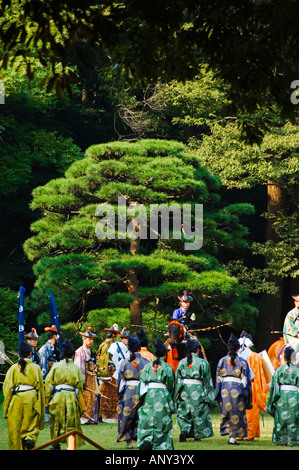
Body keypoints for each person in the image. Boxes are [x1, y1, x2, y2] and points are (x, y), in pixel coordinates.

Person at [2, 341, 45, 450]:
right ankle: (29, 437)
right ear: (30, 354)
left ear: (19, 354)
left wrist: (6, 408)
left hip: (16, 399)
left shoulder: (13, 369)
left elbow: (7, 389)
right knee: (30, 424)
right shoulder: (36, 368)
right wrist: (40, 405)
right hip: (31, 399)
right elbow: (40, 388)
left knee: (15, 430)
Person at [45, 338, 86, 450]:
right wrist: (81, 405)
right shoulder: (76, 369)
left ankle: (55, 443)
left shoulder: (56, 366)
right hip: (71, 396)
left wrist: (48, 398)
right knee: (71, 420)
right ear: (73, 355)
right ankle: (70, 445)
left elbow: (49, 383)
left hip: (57, 395)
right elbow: (79, 388)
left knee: (56, 420)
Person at [136, 339, 176, 450]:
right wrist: (170, 400)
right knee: (163, 422)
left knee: (147, 420)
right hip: (163, 395)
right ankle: (162, 445)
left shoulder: (147, 366)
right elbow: (172, 386)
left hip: (149, 395)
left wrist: (141, 398)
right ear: (165, 354)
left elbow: (141, 384)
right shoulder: (168, 368)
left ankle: (146, 440)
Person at [175, 337, 215, 442]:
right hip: (198, 389)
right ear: (197, 350)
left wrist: (177, 393)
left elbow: (177, 379)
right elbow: (208, 381)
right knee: (198, 411)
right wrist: (209, 396)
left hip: (184, 389)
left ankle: (184, 430)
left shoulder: (182, 362)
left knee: (184, 411)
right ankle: (198, 435)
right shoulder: (203, 363)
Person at [215, 333, 252, 445]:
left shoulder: (221, 361)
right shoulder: (243, 362)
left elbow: (218, 379)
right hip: (237, 389)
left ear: (228, 348)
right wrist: (248, 397)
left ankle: (229, 434)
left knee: (227, 412)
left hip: (225, 389)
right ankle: (232, 438)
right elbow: (246, 381)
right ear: (238, 348)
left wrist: (218, 393)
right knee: (237, 413)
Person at [117, 335, 148, 449]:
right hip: (142, 391)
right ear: (140, 348)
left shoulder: (124, 362)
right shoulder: (146, 362)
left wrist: (119, 395)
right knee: (141, 417)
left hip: (128, 392)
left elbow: (120, 380)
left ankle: (129, 443)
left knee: (126, 417)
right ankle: (142, 440)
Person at [238, 331, 269, 441]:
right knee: (251, 411)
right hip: (253, 385)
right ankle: (250, 434)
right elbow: (260, 374)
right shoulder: (255, 356)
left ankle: (239, 434)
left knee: (239, 409)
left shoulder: (236, 355)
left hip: (239, 386)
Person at [267, 346, 299, 446]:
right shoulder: (297, 371)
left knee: (280, 419)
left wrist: (272, 401)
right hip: (295, 397)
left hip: (281, 397)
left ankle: (281, 439)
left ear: (284, 357)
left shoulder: (278, 370)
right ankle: (293, 440)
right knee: (293, 419)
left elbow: (274, 387)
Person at [74, 326, 99, 424]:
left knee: (93, 397)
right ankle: (83, 418)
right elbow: (79, 367)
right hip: (84, 377)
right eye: (89, 339)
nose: (91, 341)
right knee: (85, 397)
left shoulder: (90, 352)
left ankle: (92, 419)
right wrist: (82, 380)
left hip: (92, 377)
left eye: (92, 339)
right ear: (84, 339)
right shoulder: (80, 352)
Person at [97, 324, 119, 423]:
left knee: (112, 394)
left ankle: (111, 415)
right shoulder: (106, 345)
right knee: (105, 393)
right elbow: (103, 361)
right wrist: (104, 374)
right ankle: (105, 415)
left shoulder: (108, 344)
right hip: (106, 371)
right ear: (112, 336)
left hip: (110, 370)